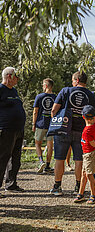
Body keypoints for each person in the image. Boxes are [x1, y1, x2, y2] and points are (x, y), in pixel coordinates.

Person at [50, 71, 95, 196]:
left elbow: (54, 110)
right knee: (79, 160)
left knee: (59, 159)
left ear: (76, 80)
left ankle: (57, 187)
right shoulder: (92, 96)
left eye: (73, 80)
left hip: (63, 129)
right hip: (82, 132)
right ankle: (77, 187)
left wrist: (58, 121)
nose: (72, 83)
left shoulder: (65, 91)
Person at [0, 67, 26, 196]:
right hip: (6, 129)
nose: (18, 79)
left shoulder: (14, 91)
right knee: (3, 158)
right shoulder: (1, 90)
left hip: (18, 130)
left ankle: (11, 184)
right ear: (9, 76)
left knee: (16, 159)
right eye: (16, 76)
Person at [74, 105, 95, 204]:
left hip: (89, 154)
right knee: (84, 174)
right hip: (90, 154)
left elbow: (94, 143)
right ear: (94, 116)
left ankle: (93, 195)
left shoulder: (86, 131)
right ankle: (81, 193)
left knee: (89, 175)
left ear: (83, 117)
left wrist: (94, 142)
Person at [32, 78, 56, 174]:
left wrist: (33, 124)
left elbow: (35, 112)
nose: (42, 86)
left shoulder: (39, 96)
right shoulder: (55, 97)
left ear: (46, 86)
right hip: (51, 125)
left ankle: (41, 161)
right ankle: (47, 165)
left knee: (37, 143)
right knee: (50, 145)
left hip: (40, 124)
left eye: (43, 85)